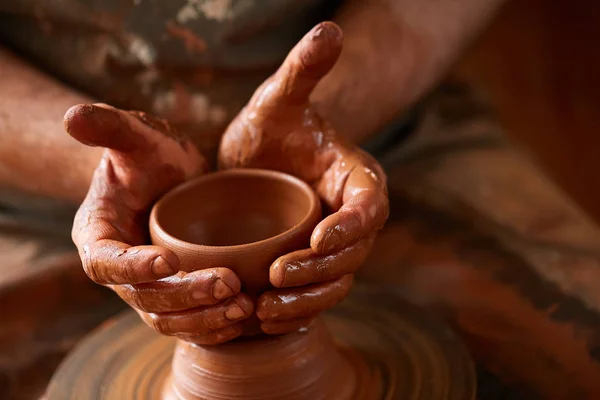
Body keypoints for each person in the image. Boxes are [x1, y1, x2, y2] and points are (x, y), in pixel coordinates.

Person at [0, 0, 507, 344]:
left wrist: (324, 112)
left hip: (379, 130)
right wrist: (102, 163)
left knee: (570, 340)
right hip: (50, 193)